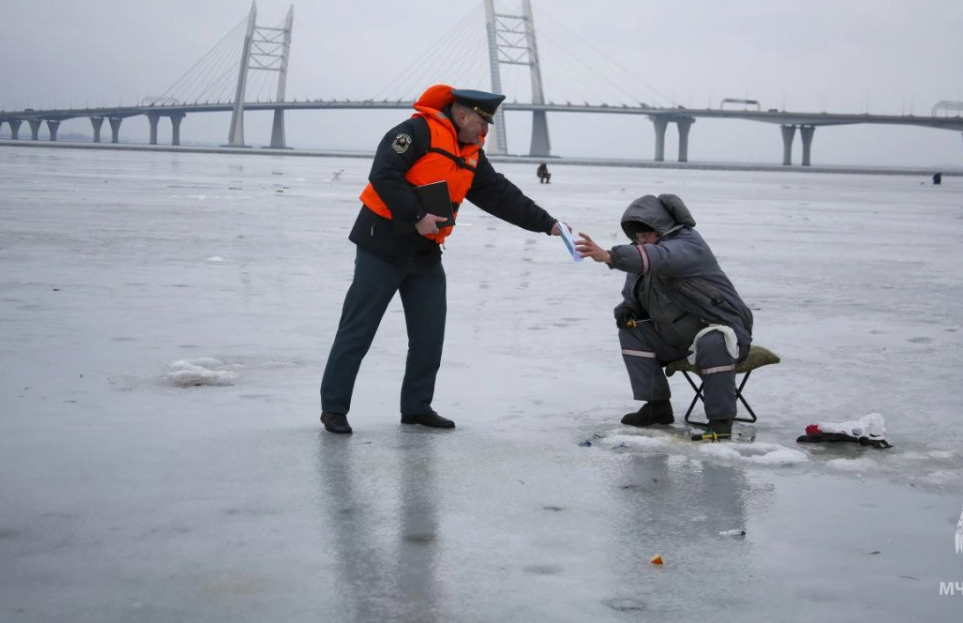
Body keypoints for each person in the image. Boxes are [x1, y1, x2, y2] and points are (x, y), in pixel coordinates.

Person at [320, 84, 562, 435]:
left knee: (429, 334)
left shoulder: (472, 152)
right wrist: (416, 214)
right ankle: (334, 409)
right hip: (382, 246)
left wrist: (548, 224)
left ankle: (417, 407)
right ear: (462, 115)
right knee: (357, 330)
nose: (486, 130)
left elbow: (501, 195)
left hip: (425, 254)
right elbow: (383, 174)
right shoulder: (414, 132)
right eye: (482, 122)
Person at [574, 194, 753, 440]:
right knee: (632, 330)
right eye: (637, 238)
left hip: (723, 331)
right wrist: (628, 309)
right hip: (675, 337)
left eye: (646, 236)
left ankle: (720, 422)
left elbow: (661, 257)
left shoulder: (688, 245)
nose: (641, 243)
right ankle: (657, 406)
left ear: (662, 229)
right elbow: (633, 295)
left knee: (714, 341)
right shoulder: (644, 254)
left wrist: (609, 256)